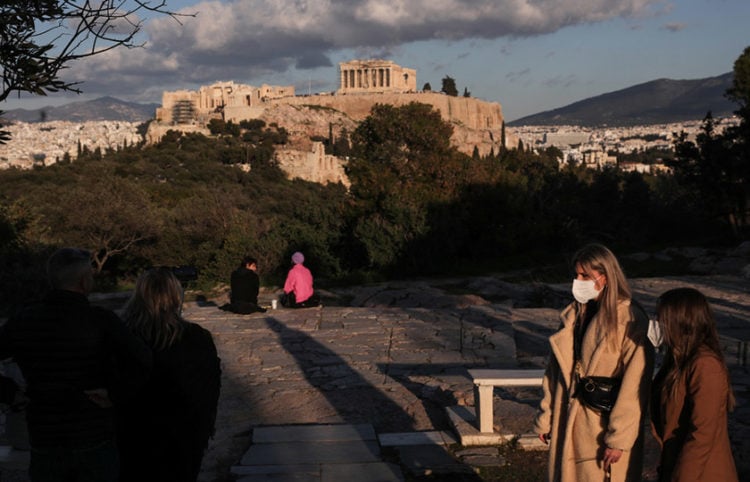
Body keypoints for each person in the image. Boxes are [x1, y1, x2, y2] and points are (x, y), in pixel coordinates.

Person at [0, 247, 152, 482]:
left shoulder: (24, 319)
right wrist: (116, 394)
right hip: (93, 435)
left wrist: (10, 393)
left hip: (45, 435)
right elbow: (143, 360)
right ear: (84, 281)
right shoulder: (101, 321)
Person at [534, 243, 654, 482]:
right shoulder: (573, 316)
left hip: (600, 425)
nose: (578, 281)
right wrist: (546, 417)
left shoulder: (630, 320)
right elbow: (554, 372)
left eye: (585, 275)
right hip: (567, 419)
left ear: (606, 276)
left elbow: (635, 385)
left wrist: (619, 439)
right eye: (576, 275)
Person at [118, 267, 221, 482]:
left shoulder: (121, 336)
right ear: (176, 297)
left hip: (131, 437)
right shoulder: (196, 338)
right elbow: (209, 390)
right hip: (182, 439)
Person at [649, 287, 738, 482]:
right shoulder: (676, 362)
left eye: (662, 318)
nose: (658, 324)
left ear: (681, 322)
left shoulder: (705, 365)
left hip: (700, 474)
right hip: (673, 467)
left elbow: (702, 434)